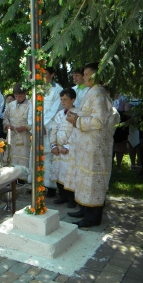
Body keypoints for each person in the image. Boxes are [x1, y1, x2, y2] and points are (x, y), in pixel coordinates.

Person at [66, 62, 115, 227]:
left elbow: (99, 121)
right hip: (86, 144)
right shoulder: (92, 91)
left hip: (94, 145)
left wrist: (77, 120)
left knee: (93, 179)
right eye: (84, 74)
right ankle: (85, 208)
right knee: (84, 177)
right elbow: (88, 114)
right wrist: (75, 116)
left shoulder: (99, 93)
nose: (84, 77)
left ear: (96, 76)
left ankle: (93, 216)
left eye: (88, 74)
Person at [28, 67, 63, 197]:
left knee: (49, 157)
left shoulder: (58, 90)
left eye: (46, 74)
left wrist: (43, 124)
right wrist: (34, 124)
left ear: (53, 74)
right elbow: (32, 107)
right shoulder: (37, 88)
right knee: (36, 155)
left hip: (48, 128)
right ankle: (36, 184)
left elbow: (55, 109)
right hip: (37, 127)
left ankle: (51, 187)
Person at [50, 88, 77, 208]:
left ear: (73, 99)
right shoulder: (59, 114)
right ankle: (62, 196)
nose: (63, 102)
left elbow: (77, 132)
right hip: (58, 150)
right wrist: (53, 145)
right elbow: (53, 130)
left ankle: (72, 199)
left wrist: (68, 146)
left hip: (70, 151)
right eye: (61, 99)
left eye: (65, 99)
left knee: (69, 175)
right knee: (58, 172)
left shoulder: (78, 114)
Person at [3, 83, 30, 174]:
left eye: (20, 96)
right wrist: (7, 125)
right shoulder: (10, 105)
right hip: (12, 135)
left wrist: (26, 127)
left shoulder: (31, 105)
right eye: (16, 96)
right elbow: (5, 118)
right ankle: (10, 179)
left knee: (24, 159)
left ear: (26, 93)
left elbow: (34, 121)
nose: (18, 98)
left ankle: (23, 180)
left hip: (25, 137)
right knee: (10, 158)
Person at [112, 93, 130, 173]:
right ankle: (110, 164)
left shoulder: (124, 98)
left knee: (120, 146)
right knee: (111, 145)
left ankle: (118, 166)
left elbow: (127, 112)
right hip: (111, 123)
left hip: (121, 124)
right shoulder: (109, 97)